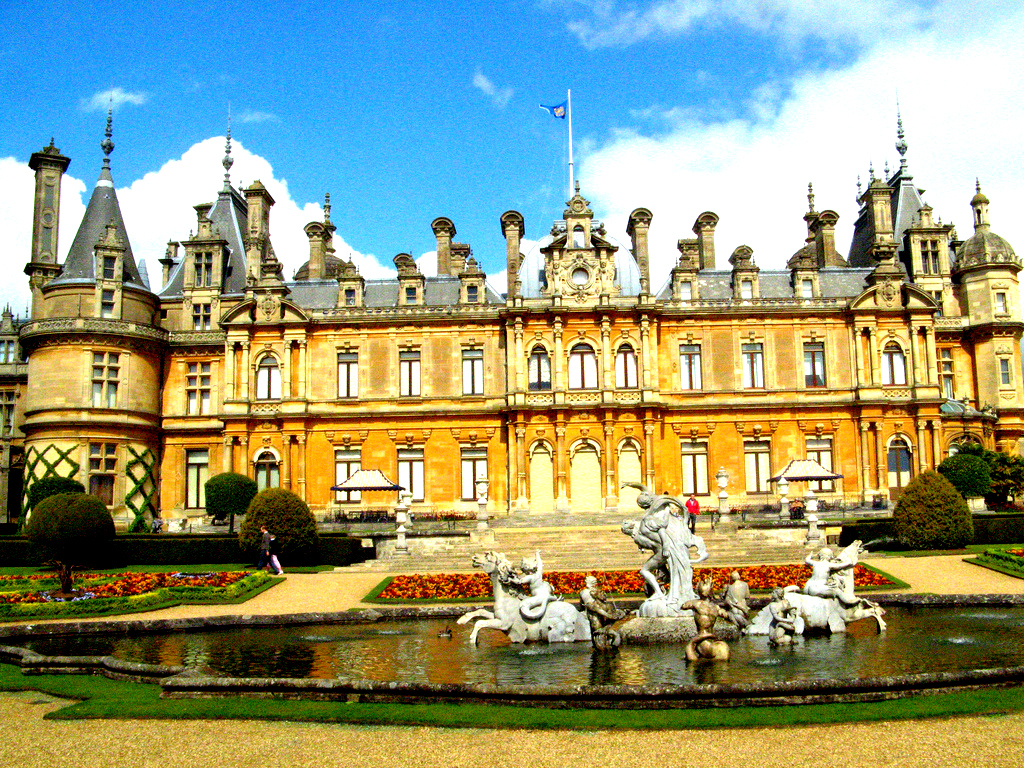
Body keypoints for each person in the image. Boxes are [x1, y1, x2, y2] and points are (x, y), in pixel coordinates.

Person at [512, 550, 553, 621]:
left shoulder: (530, 577)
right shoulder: (538, 573)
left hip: (539, 597)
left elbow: (519, 581)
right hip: (546, 594)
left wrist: (510, 579)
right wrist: (537, 554)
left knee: (523, 604)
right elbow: (540, 564)